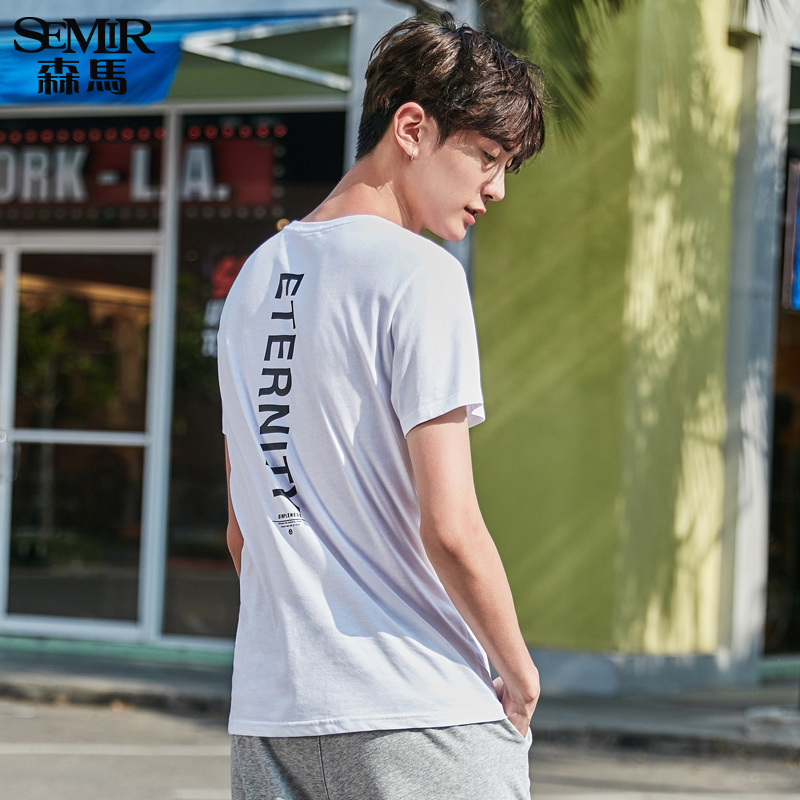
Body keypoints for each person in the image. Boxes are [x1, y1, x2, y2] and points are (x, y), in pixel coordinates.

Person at [218, 12, 546, 800]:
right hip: (420, 712)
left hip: (272, 715)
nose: (497, 188)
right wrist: (518, 670)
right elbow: (451, 527)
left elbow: (242, 530)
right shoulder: (419, 275)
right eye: (487, 157)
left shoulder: (252, 281)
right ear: (412, 128)